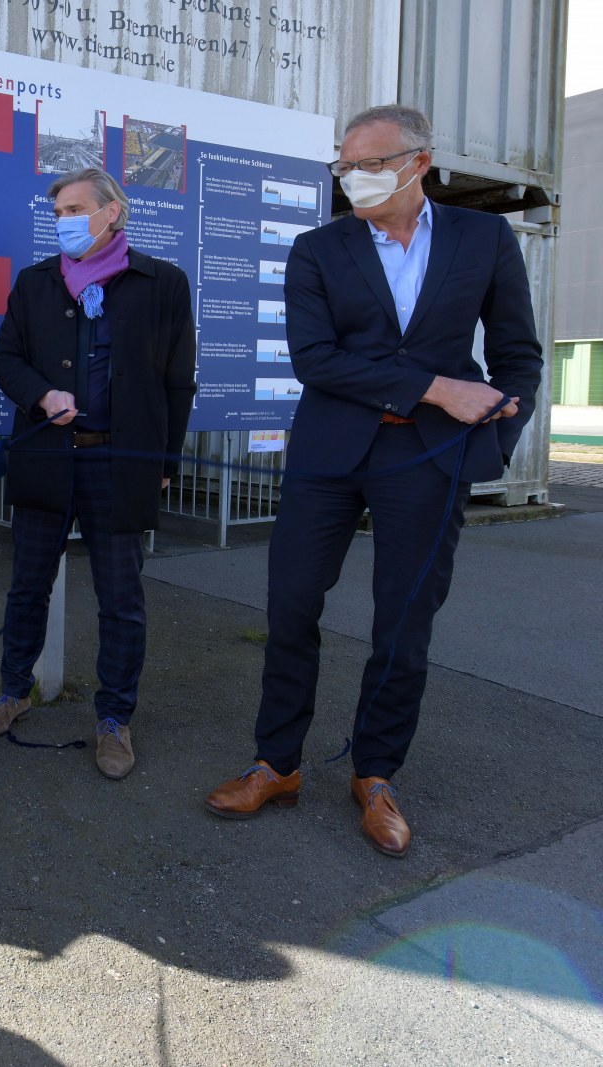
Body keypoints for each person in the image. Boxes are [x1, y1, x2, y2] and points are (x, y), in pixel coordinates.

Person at [204, 105, 543, 856]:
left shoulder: (483, 238)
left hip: (430, 458)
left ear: (419, 162)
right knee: (291, 605)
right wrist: (439, 388)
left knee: (404, 620)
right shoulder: (317, 249)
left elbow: (519, 354)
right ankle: (277, 763)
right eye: (344, 165)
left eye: (370, 164)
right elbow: (315, 360)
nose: (352, 177)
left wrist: (493, 438)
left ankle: (376, 773)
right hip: (331, 454)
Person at [0, 167, 197, 779]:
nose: (64, 222)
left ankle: (114, 718)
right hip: (47, 457)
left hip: (121, 462)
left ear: (111, 213)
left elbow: (177, 380)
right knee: (28, 585)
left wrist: (166, 462)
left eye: (75, 209)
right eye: (58, 213)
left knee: (121, 598)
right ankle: (14, 690)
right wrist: (42, 395)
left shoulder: (163, 283)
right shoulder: (36, 283)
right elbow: (4, 357)